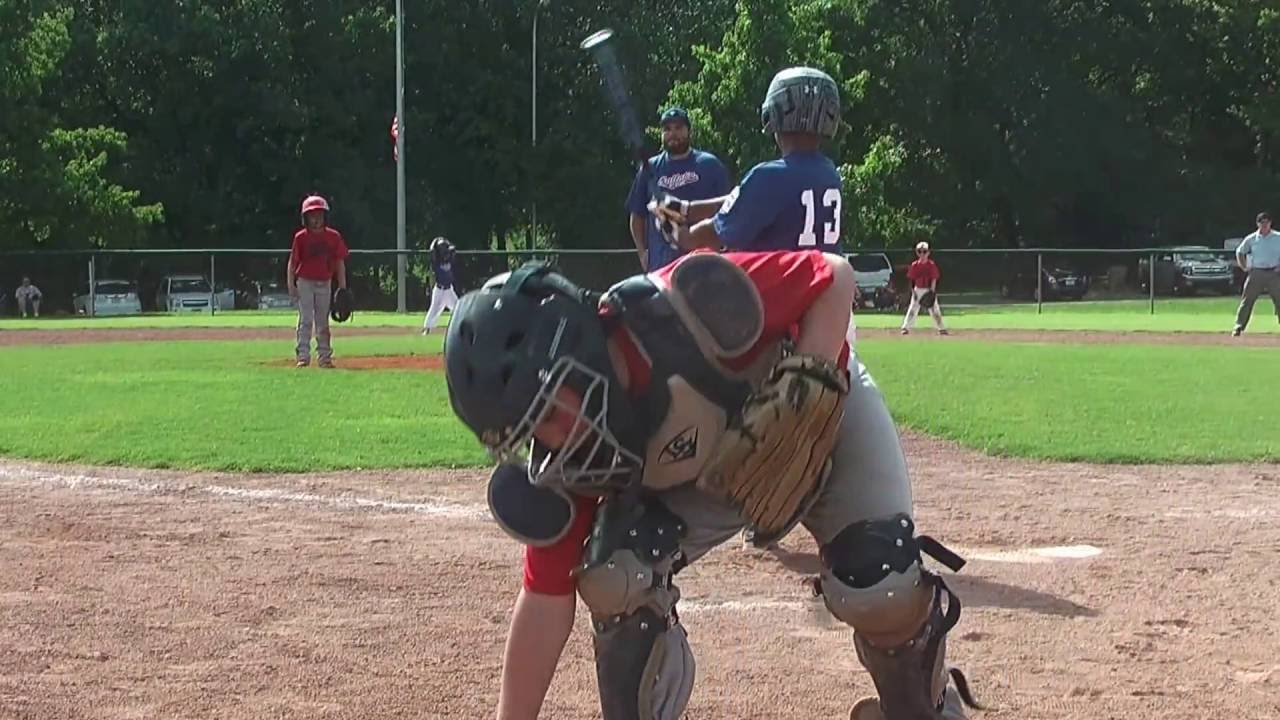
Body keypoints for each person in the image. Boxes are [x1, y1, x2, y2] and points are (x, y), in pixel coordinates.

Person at [444, 249, 979, 720]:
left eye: (545, 413)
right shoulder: (575, 449)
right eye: (527, 432)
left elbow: (833, 276)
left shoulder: (690, 305)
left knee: (879, 581)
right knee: (615, 577)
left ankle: (924, 708)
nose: (548, 441)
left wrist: (807, 389)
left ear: (578, 354)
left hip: (828, 422)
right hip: (713, 478)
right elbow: (544, 600)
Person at [625, 107, 730, 272]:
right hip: (662, 267)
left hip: (705, 265)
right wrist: (642, 253)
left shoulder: (710, 165)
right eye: (667, 129)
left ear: (690, 132)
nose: (673, 133)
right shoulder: (649, 169)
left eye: (679, 128)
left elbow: (729, 210)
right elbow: (637, 216)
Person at [287, 195, 349, 368]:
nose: (316, 219)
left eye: (319, 215)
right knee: (306, 319)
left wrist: (342, 286)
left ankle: (324, 357)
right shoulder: (301, 237)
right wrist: (291, 284)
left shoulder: (333, 236)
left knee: (323, 321)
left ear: (325, 217)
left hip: (325, 282)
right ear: (305, 218)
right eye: (312, 216)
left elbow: (340, 261)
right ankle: (303, 356)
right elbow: (293, 263)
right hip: (305, 282)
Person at [1231, 211, 1280, 336]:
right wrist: (1244, 266)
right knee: (1247, 300)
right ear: (1258, 224)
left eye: (1266, 222)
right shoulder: (1252, 238)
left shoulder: (1278, 237)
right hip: (1257, 272)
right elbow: (1240, 252)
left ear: (1270, 223)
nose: (1264, 225)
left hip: (1274, 273)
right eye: (1262, 223)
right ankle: (1239, 326)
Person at [901, 241, 948, 335]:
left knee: (935, 310)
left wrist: (932, 291)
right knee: (912, 309)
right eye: (919, 251)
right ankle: (905, 327)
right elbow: (911, 279)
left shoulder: (931, 265)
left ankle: (941, 328)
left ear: (928, 253)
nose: (922, 254)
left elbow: (934, 278)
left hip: (928, 289)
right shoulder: (915, 265)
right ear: (917, 252)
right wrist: (913, 292)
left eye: (924, 251)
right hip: (918, 289)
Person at [422, 237, 460, 334]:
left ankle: (460, 328)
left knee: (458, 307)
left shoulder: (450, 259)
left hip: (449, 290)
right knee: (434, 308)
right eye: (444, 249)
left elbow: (453, 249)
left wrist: (445, 241)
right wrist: (436, 240)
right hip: (439, 290)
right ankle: (427, 328)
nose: (446, 252)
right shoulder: (436, 261)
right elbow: (431, 250)